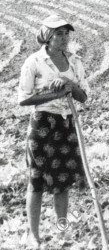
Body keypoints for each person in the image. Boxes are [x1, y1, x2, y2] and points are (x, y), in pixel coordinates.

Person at [18, 15, 90, 249]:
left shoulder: (75, 61)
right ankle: (34, 235)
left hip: (66, 123)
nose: (64, 38)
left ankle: (61, 231)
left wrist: (71, 87)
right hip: (42, 124)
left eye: (66, 34)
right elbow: (24, 99)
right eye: (58, 34)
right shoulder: (34, 62)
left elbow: (83, 96)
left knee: (63, 181)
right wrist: (54, 93)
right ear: (47, 38)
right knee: (36, 181)